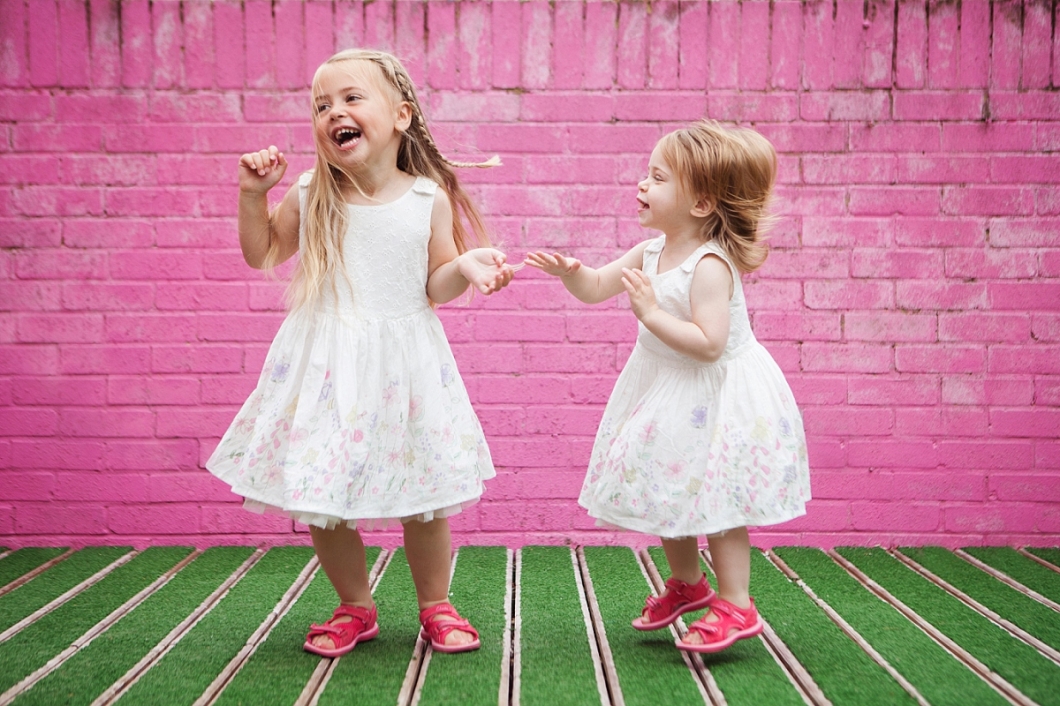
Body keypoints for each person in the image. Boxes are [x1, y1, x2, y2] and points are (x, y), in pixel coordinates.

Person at [207, 48, 514, 657]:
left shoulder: (428, 198)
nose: (333, 113)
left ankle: (436, 604)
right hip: (328, 364)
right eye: (321, 105)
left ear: (400, 115)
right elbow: (263, 253)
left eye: (351, 98)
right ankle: (354, 603)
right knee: (326, 498)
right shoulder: (310, 190)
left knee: (423, 495)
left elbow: (434, 285)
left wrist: (467, 265)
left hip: (405, 365)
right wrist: (252, 194)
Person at [525, 121, 810, 653]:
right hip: (666, 387)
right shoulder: (651, 251)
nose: (641, 184)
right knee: (666, 480)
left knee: (719, 500)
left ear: (701, 203)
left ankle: (737, 603)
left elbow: (708, 343)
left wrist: (652, 313)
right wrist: (572, 273)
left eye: (657, 177)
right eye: (646, 174)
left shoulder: (709, 265)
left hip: (716, 392)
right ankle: (688, 583)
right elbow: (596, 288)